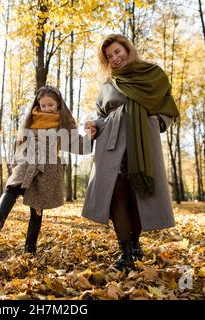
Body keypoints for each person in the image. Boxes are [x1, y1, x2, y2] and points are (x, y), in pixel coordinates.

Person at [82, 34, 180, 271]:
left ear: (128, 49)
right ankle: (125, 252)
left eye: (118, 51)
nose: (115, 58)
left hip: (142, 142)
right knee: (117, 195)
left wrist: (156, 122)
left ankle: (135, 244)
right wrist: (94, 124)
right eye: (109, 56)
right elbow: (101, 115)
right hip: (111, 144)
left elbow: (168, 107)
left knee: (138, 195)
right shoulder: (108, 85)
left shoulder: (152, 74)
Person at [0, 85, 93, 254]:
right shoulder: (31, 120)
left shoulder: (63, 125)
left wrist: (89, 136)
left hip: (46, 169)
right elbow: (20, 143)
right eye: (44, 105)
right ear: (38, 105)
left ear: (58, 105)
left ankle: (30, 247)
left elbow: (80, 147)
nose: (47, 109)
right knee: (12, 187)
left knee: (36, 207)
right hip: (26, 161)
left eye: (51, 105)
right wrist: (17, 161)